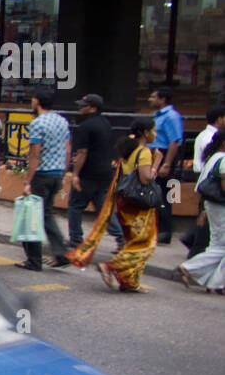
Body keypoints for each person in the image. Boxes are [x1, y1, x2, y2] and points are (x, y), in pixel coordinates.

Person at [67, 119, 159, 292]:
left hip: (126, 201)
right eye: (154, 131)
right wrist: (156, 164)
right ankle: (110, 266)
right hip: (139, 205)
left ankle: (129, 282)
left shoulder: (129, 150)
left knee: (133, 242)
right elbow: (146, 178)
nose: (156, 134)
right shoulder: (144, 152)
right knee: (146, 244)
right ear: (146, 133)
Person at [17, 88, 71, 270]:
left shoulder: (38, 123)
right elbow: (68, 148)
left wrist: (28, 181)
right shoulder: (62, 121)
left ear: (37, 101)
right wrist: (63, 173)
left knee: (31, 216)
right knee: (47, 214)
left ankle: (34, 260)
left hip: (41, 175)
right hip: (56, 173)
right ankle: (61, 253)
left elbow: (35, 154)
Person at [66, 93, 123, 249]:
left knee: (75, 206)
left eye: (83, 105)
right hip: (105, 172)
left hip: (88, 174)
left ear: (92, 108)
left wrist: (75, 174)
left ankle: (76, 239)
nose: (80, 108)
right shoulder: (105, 123)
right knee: (104, 209)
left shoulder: (85, 126)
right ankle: (121, 238)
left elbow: (82, 152)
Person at [177, 130, 225, 294]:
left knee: (217, 245)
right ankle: (194, 270)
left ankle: (214, 281)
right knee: (220, 246)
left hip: (211, 204)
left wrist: (204, 210)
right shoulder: (223, 159)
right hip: (221, 206)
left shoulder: (213, 158)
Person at [182, 105, 224, 255]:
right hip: (209, 184)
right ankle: (194, 251)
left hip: (207, 182)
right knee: (206, 224)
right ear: (219, 119)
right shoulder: (209, 138)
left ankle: (192, 240)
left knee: (206, 221)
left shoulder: (207, 136)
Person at [148, 87, 183, 243]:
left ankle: (164, 231)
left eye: (153, 96)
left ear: (162, 99)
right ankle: (155, 228)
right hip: (154, 154)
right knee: (153, 192)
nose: (150, 99)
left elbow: (174, 142)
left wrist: (167, 164)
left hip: (163, 156)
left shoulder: (171, 117)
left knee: (162, 193)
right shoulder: (158, 116)